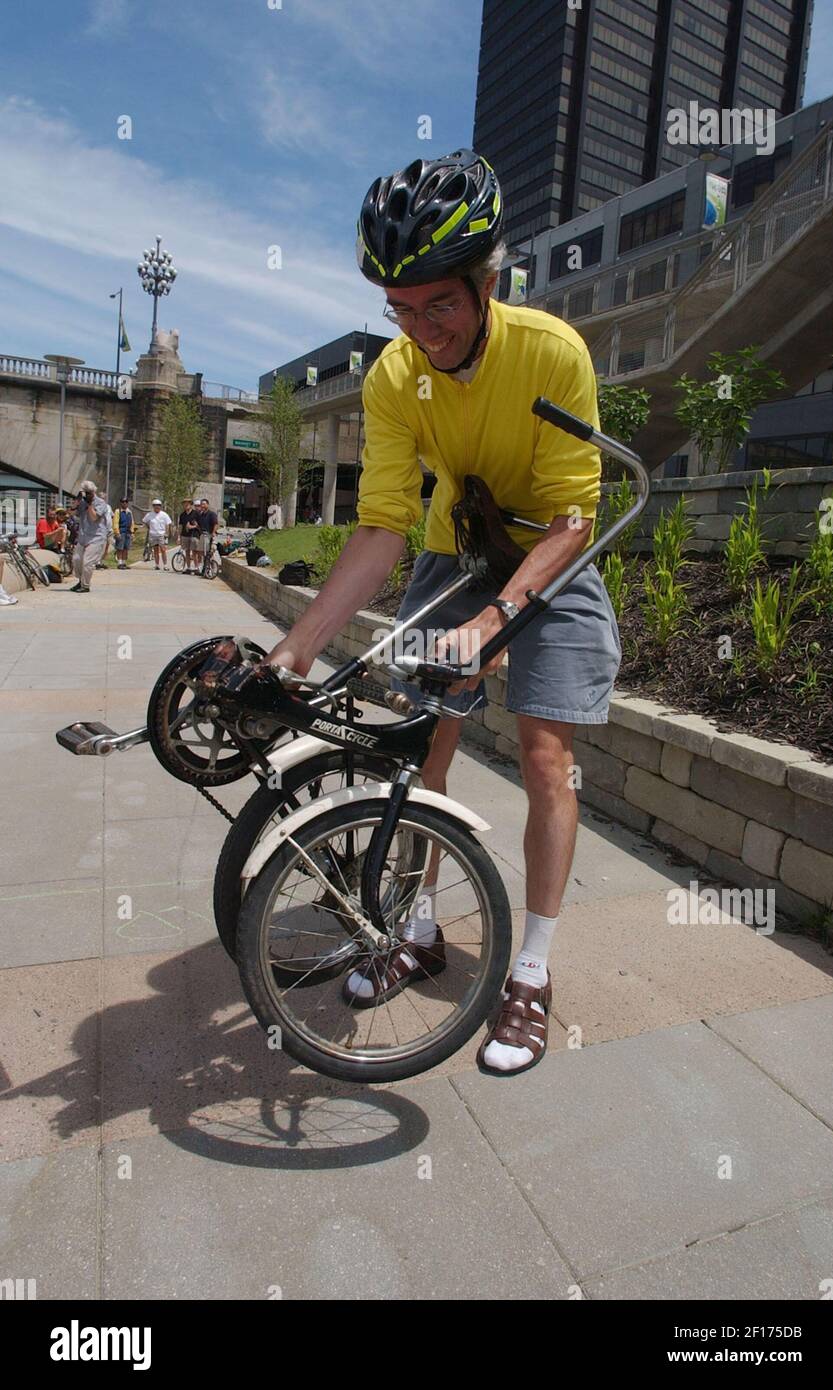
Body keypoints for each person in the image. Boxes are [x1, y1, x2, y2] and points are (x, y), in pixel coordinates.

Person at [262, 149, 621, 1076]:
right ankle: (416, 926)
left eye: (441, 305)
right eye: (401, 310)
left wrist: (492, 626)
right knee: (424, 741)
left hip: (550, 551)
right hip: (456, 543)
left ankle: (531, 973)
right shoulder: (393, 376)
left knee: (547, 756)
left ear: (487, 281)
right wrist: (296, 646)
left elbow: (575, 516)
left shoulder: (553, 352)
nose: (421, 330)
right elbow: (381, 525)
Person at [70, 481, 111, 593]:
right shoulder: (82, 502)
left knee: (88, 562)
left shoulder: (101, 503)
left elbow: (94, 518)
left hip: (96, 537)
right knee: (76, 559)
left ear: (93, 492)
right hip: (83, 536)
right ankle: (80, 581)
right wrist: (76, 502)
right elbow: (72, 514)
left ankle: (85, 586)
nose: (87, 495)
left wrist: (89, 504)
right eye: (85, 493)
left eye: (89, 493)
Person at [141, 499, 172, 570]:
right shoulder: (149, 514)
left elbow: (168, 524)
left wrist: (167, 533)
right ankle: (157, 565)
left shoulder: (164, 514)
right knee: (155, 550)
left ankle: (165, 565)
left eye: (158, 505)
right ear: (153, 506)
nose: (157, 507)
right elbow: (144, 521)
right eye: (155, 505)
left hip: (161, 534)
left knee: (163, 550)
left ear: (160, 506)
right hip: (153, 535)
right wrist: (148, 527)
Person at [178, 498, 202, 574]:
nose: (186, 505)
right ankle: (188, 567)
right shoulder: (182, 515)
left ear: (191, 505)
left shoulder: (196, 514)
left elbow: (200, 525)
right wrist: (179, 537)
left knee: (194, 552)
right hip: (185, 535)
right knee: (187, 552)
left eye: (188, 504)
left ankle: (196, 568)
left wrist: (192, 527)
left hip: (194, 535)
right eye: (184, 504)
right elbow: (181, 526)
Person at [196, 498, 219, 569]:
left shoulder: (212, 514)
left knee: (209, 552)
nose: (202, 506)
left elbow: (216, 524)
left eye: (204, 504)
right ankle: (205, 566)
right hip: (203, 535)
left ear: (207, 505)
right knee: (201, 551)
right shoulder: (201, 515)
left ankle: (212, 566)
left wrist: (213, 533)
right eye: (201, 504)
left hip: (209, 535)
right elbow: (199, 525)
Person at [113, 498, 135, 569]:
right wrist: (117, 532)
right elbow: (115, 522)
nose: (124, 503)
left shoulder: (129, 512)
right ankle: (119, 563)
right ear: (121, 503)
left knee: (126, 548)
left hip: (128, 533)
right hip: (121, 532)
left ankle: (124, 563)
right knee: (120, 548)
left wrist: (132, 532)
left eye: (126, 502)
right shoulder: (118, 511)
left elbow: (132, 522)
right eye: (123, 502)